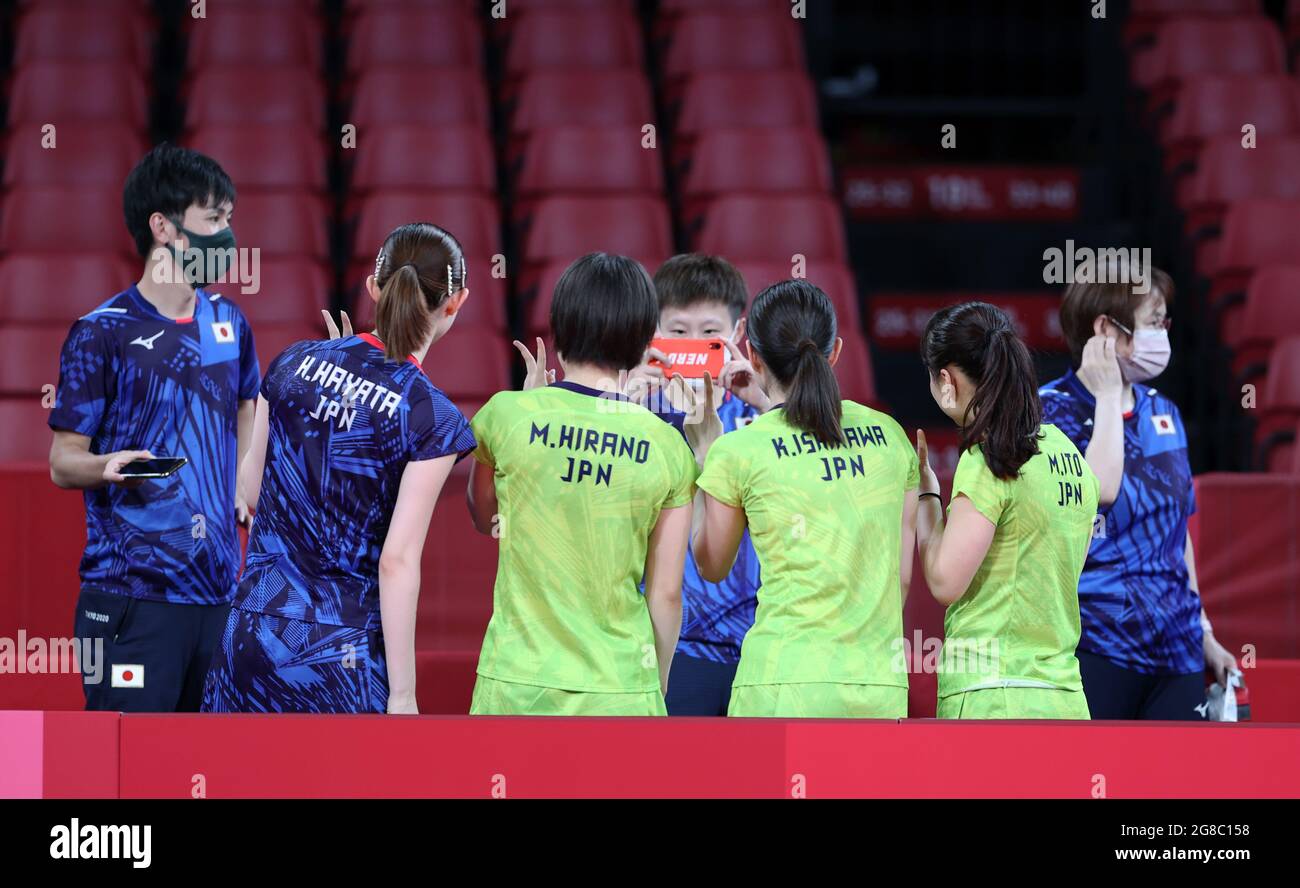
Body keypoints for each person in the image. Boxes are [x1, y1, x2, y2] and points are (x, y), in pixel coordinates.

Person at [202, 223, 475, 714]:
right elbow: (397, 562)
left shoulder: (292, 361)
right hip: (341, 657)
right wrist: (404, 694)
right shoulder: (431, 415)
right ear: (455, 302)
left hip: (250, 637)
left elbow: (250, 488)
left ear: (373, 288)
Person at [49, 144, 257, 712]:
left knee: (203, 773)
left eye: (229, 219)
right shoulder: (101, 332)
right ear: (163, 227)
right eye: (213, 219)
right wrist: (105, 466)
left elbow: (248, 403)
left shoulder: (229, 323)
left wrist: (244, 476)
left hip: (217, 595)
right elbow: (63, 461)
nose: (227, 236)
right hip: (131, 598)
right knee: (126, 774)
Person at [466, 253, 696, 716]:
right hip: (621, 689)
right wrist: (656, 683)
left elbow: (484, 517)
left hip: (517, 684)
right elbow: (666, 594)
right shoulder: (668, 444)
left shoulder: (505, 415)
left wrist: (532, 415)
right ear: (640, 343)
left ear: (559, 330)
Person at [692, 280, 919, 718]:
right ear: (834, 351)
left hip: (781, 687)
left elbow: (712, 565)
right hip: (877, 686)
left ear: (753, 356)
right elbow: (901, 578)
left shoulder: (739, 450)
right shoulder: (890, 436)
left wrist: (705, 456)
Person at [1041, 270, 1237, 720]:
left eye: (1165, 323)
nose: (1163, 335)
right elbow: (1091, 498)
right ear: (1107, 329)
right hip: (1093, 646)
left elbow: (1176, 533)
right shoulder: (1047, 414)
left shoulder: (1164, 411)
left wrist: (1204, 632)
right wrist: (1108, 397)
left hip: (1177, 653)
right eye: (1153, 323)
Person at [914, 301, 1098, 719]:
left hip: (993, 700)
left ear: (946, 380)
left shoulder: (988, 459)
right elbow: (1072, 562)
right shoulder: (1069, 454)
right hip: (1065, 700)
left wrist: (928, 498)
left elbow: (945, 582)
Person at [627, 254, 765, 716]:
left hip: (757, 649)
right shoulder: (633, 417)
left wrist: (767, 405)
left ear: (738, 334)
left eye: (709, 332)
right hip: (665, 647)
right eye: (678, 331)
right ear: (654, 333)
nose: (693, 344)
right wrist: (620, 408)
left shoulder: (763, 421)